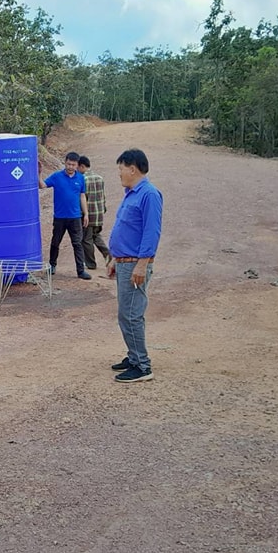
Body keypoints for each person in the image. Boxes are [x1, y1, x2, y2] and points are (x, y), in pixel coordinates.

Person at [106, 149, 163, 383]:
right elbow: (124, 228)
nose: (119, 173)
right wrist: (114, 259)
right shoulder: (131, 194)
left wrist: (142, 263)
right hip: (124, 263)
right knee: (125, 314)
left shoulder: (149, 194)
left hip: (135, 265)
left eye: (121, 168)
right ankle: (133, 356)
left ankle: (142, 366)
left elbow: (152, 231)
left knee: (132, 315)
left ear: (132, 168)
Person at [39, 151, 91, 279]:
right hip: (60, 217)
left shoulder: (80, 178)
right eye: (68, 164)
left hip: (75, 217)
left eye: (73, 165)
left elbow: (82, 196)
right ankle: (52, 266)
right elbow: (43, 186)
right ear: (65, 163)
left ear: (77, 165)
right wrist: (39, 174)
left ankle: (80, 271)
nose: (70, 167)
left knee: (77, 244)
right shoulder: (57, 177)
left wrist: (86, 214)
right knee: (55, 242)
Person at [77, 156, 110, 270]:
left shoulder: (82, 179)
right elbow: (103, 195)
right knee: (96, 235)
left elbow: (82, 198)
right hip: (99, 214)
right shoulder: (100, 178)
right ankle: (108, 255)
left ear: (81, 166)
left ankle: (91, 263)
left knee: (86, 239)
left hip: (88, 214)